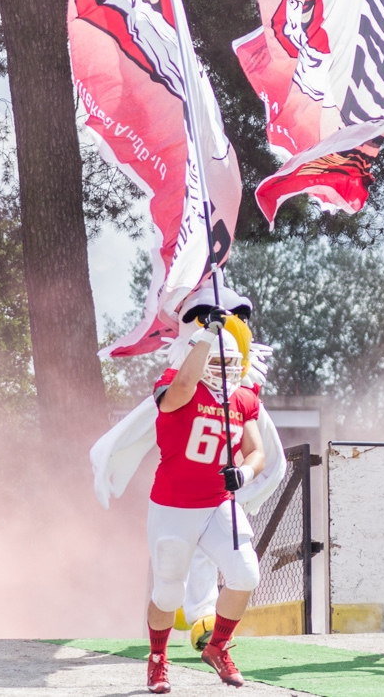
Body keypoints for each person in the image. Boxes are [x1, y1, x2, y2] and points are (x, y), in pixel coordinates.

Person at [144, 286, 265, 693]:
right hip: (174, 506)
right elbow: (179, 390)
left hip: (217, 502)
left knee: (246, 573)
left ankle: (218, 646)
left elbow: (256, 452)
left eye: (231, 363)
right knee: (168, 591)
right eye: (217, 362)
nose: (224, 371)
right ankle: (158, 658)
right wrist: (205, 335)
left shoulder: (244, 398)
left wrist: (244, 475)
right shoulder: (175, 384)